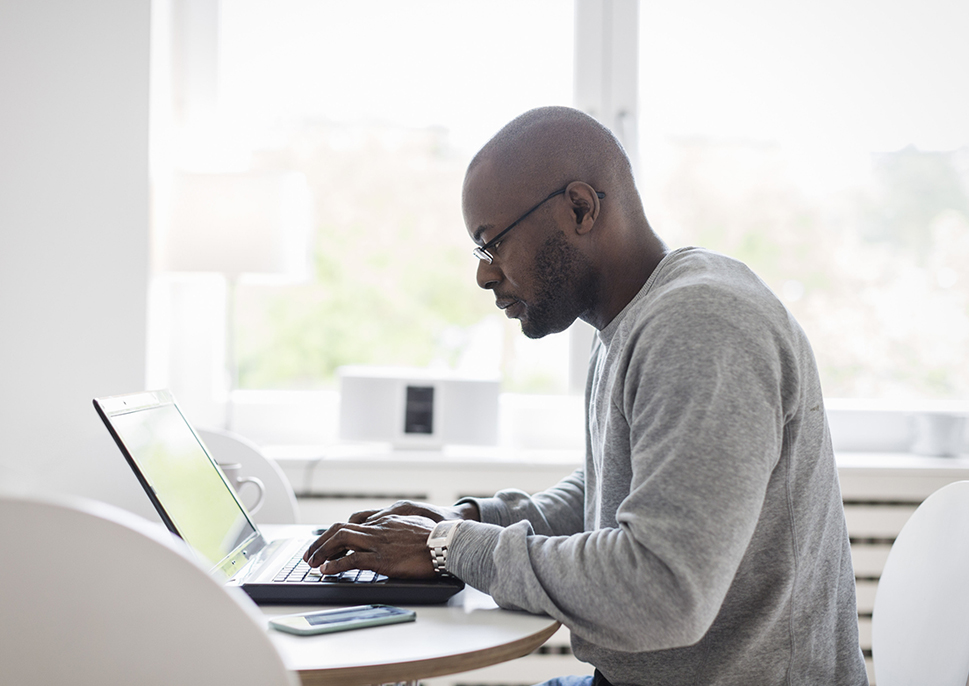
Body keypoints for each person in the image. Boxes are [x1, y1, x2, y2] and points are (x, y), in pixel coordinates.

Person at [304, 106, 869, 686]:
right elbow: (612, 492)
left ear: (580, 208)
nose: (483, 275)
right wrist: (465, 521)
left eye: (491, 243)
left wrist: (455, 548)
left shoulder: (701, 323)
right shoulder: (636, 320)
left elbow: (662, 592)